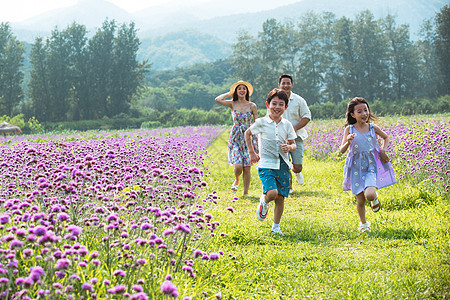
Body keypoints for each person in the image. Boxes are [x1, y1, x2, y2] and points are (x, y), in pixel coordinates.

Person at [339, 97, 396, 232]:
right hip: (355, 167)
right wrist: (348, 141)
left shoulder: (372, 127)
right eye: (360, 111)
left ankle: (374, 199)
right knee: (360, 200)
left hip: (370, 165)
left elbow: (386, 137)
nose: (364, 114)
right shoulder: (349, 129)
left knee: (369, 194)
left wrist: (383, 150)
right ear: (352, 115)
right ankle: (364, 224)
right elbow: (342, 150)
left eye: (366, 110)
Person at [245, 88, 297, 235]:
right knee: (272, 193)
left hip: (283, 165)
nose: (277, 107)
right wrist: (252, 152)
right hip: (266, 164)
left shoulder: (287, 124)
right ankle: (264, 201)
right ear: (268, 105)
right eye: (274, 103)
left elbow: (294, 144)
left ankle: (276, 226)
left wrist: (289, 147)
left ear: (285, 107)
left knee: (280, 197)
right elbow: (247, 133)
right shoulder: (261, 122)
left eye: (281, 104)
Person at [215, 81, 258, 196]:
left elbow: (257, 122)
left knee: (247, 167)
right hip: (235, 137)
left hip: (248, 137)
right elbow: (217, 99)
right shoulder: (232, 104)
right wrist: (230, 93)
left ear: (247, 91)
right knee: (238, 165)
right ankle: (237, 179)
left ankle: (245, 193)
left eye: (244, 88)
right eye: (239, 89)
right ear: (236, 91)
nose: (242, 90)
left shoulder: (252, 105)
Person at [278, 74, 311, 190]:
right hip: (280, 138)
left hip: (296, 137)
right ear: (279, 85)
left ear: (291, 85)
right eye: (283, 83)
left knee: (297, 166)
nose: (286, 85)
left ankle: (297, 172)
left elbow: (307, 117)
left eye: (288, 83)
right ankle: (289, 187)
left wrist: (294, 129)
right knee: (285, 163)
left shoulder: (299, 100)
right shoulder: (275, 100)